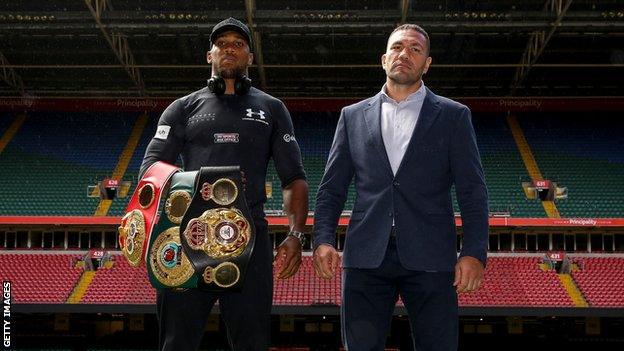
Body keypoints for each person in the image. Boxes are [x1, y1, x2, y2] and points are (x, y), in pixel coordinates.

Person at [313, 23, 488, 350]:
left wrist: (474, 252)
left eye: (415, 50)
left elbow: (472, 191)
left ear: (427, 63)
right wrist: (323, 238)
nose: (404, 54)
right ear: (383, 59)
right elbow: (331, 188)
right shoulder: (351, 116)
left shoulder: (453, 116)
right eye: (396, 48)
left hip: (432, 256)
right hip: (366, 255)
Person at [139, 17, 309, 351]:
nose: (229, 49)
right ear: (209, 55)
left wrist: (295, 234)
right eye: (222, 44)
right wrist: (199, 186)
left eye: (238, 44)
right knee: (176, 341)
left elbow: (294, 179)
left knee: (253, 342)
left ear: (250, 57)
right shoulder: (182, 109)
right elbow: (151, 168)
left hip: (251, 239)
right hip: (189, 234)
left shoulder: (272, 109)